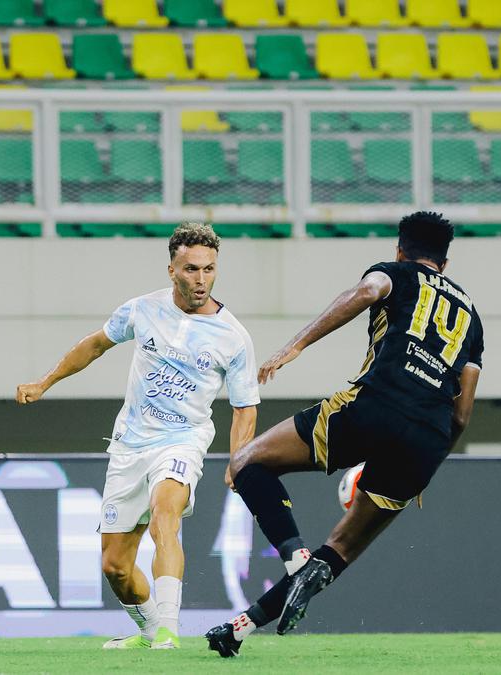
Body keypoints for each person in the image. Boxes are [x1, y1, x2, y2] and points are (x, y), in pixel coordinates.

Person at [205, 211, 483, 657]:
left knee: (246, 463)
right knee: (339, 548)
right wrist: (426, 466)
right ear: (445, 264)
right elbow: (463, 414)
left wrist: (294, 345)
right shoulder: (472, 317)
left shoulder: (395, 272)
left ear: (400, 249)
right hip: (429, 438)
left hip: (378, 404)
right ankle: (239, 629)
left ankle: (295, 558)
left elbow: (368, 291)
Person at [16, 223, 259, 650]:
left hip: (183, 439)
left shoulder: (233, 336)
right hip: (130, 443)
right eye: (190, 269)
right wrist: (45, 381)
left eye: (208, 269)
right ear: (171, 270)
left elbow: (245, 407)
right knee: (115, 566)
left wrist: (239, 460)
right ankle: (149, 631)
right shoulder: (142, 310)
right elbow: (94, 345)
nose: (200, 280)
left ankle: (168, 628)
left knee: (165, 511)